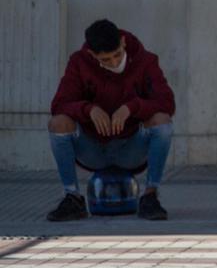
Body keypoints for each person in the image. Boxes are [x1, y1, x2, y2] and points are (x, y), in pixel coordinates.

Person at [46, 19, 175, 221]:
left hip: (131, 148)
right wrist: (88, 110)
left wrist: (132, 107)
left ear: (123, 42)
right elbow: (59, 105)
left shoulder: (146, 61)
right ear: (92, 55)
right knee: (58, 123)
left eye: (118, 55)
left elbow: (167, 102)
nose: (114, 63)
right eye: (106, 60)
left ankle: (150, 196)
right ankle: (72, 197)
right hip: (93, 148)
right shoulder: (79, 62)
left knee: (162, 121)